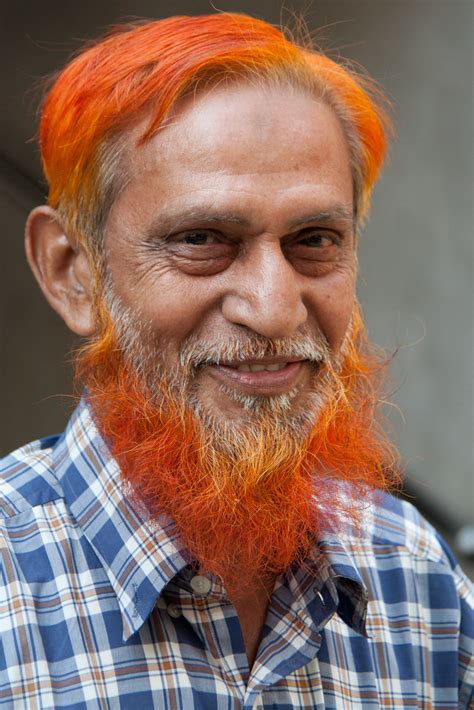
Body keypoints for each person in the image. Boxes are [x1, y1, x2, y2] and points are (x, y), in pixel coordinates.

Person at [0, 13, 472, 709]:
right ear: (72, 271)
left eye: (314, 239)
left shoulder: (412, 574)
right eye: (201, 238)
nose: (274, 308)